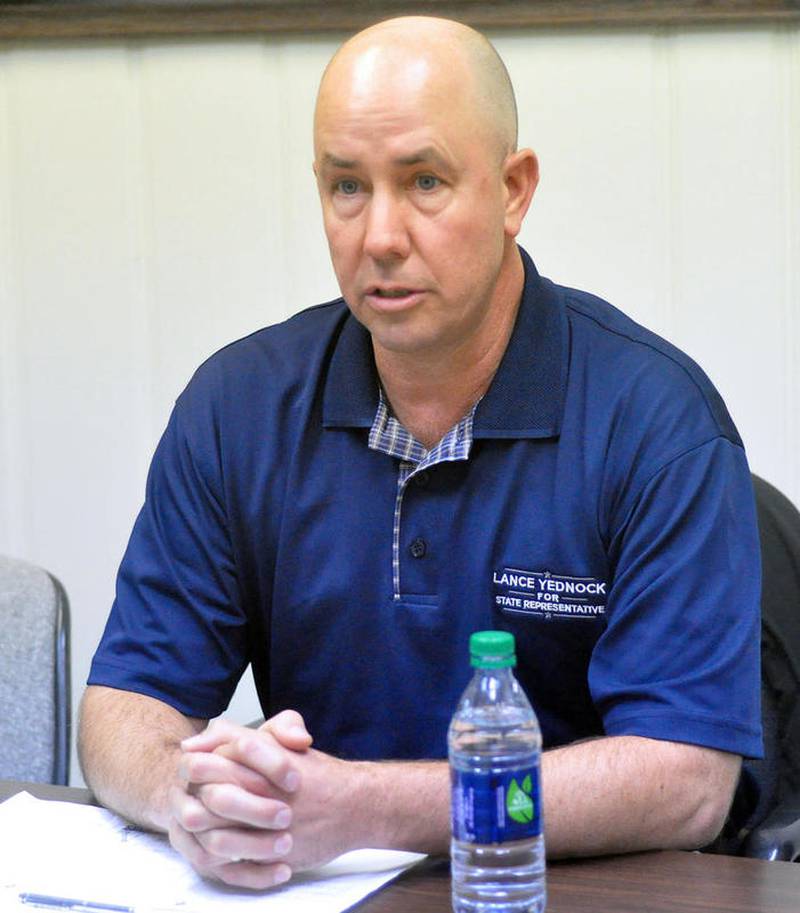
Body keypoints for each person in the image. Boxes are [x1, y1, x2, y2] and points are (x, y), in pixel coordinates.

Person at [79, 15, 762, 891]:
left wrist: (362, 806)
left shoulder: (657, 419)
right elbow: (122, 705)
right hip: (320, 890)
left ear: (514, 190)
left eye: (426, 181)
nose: (380, 236)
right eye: (346, 188)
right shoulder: (236, 406)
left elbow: (687, 781)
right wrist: (188, 791)